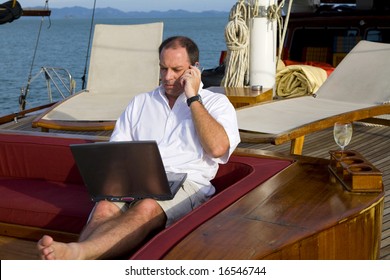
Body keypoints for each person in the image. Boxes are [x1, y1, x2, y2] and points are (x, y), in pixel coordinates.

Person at [37, 36, 240, 260]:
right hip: (135, 177)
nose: (168, 77)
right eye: (163, 68)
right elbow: (117, 150)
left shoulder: (215, 103)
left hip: (187, 183)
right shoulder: (141, 102)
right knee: (104, 205)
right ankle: (77, 259)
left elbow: (218, 149)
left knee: (147, 206)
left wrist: (193, 98)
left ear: (194, 69)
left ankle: (78, 252)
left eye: (176, 69)